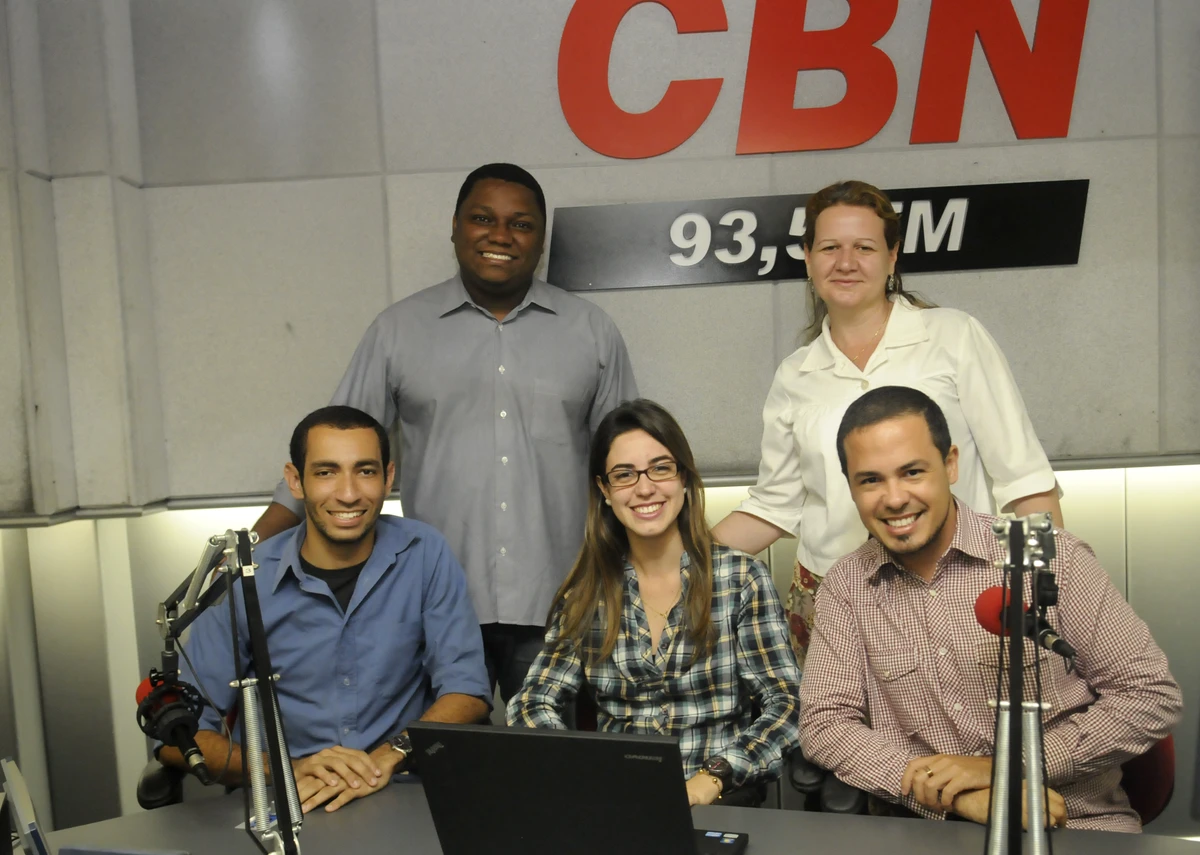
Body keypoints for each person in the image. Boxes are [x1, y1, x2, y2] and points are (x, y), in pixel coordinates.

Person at [252, 163, 638, 701]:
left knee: (560, 770)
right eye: (483, 218)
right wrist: (250, 553)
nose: (500, 235)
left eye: (521, 224)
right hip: (431, 602)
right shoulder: (397, 331)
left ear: (541, 240)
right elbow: (331, 447)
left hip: (562, 601)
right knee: (443, 764)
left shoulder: (591, 331)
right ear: (455, 227)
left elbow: (627, 467)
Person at [713, 179, 1062, 669]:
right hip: (835, 603)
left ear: (893, 257)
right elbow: (775, 504)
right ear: (808, 257)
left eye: (865, 247)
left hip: (956, 590)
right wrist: (678, 557)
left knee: (957, 741)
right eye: (830, 247)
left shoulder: (953, 337)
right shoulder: (796, 374)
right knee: (841, 742)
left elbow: (1023, 481)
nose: (846, 262)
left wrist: (1047, 594)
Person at [799, 386, 1181, 831]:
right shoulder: (846, 585)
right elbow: (826, 724)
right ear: (850, 487)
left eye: (912, 472)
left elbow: (1149, 695)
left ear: (950, 464)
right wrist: (956, 798)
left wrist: (1005, 767)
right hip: (930, 831)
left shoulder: (1049, 556)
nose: (895, 498)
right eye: (871, 480)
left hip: (1074, 824)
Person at [159, 406, 492, 814]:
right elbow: (180, 737)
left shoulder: (425, 553)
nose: (349, 493)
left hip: (404, 789)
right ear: (295, 481)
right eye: (326, 472)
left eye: (365, 471)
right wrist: (287, 769)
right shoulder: (245, 578)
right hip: (288, 802)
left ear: (388, 478)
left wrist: (391, 755)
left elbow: (468, 690)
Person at [507, 399, 801, 807]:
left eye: (660, 468)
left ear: (683, 478)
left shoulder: (740, 579)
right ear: (605, 491)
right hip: (619, 807)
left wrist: (713, 776)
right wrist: (580, 768)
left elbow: (787, 704)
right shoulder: (586, 594)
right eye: (624, 475)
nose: (645, 488)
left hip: (723, 800)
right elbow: (530, 701)